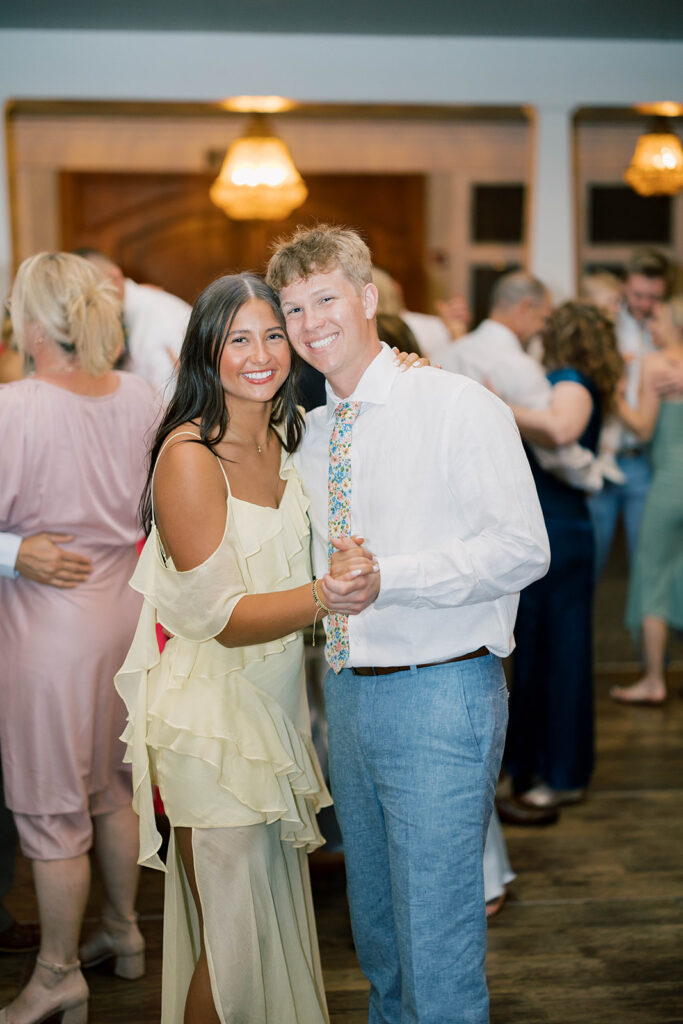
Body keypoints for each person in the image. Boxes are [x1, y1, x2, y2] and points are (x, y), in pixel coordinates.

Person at [266, 224, 550, 1024]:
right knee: (381, 939)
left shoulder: (455, 403)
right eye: (294, 309)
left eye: (325, 299)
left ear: (366, 298)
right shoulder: (313, 433)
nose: (310, 322)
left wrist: (391, 577)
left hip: (440, 693)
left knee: (437, 944)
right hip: (349, 695)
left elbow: (522, 549)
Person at [115, 273, 380, 1024]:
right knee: (235, 949)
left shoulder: (291, 435)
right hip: (210, 721)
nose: (260, 355)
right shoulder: (190, 455)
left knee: (259, 937)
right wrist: (327, 596)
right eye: (238, 339)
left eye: (272, 336)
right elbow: (221, 618)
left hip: (272, 707)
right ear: (207, 350)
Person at [0, 252, 158, 1024]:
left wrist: (9, 550)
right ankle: (122, 933)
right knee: (113, 789)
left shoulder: (15, 408)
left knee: (50, 804)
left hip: (50, 630)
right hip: (126, 619)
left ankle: (58, 973)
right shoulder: (142, 395)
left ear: (34, 325)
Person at [500, 303, 623, 809]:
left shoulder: (571, 381)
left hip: (562, 533)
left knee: (562, 657)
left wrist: (496, 402)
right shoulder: (564, 380)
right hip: (550, 529)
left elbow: (561, 431)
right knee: (537, 653)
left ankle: (563, 773)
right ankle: (528, 766)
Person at [610, 297, 683, 705]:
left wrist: (616, 396)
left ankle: (654, 680)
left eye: (657, 319)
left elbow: (641, 429)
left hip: (671, 482)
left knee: (654, 577)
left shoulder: (657, 363)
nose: (650, 326)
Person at [589, 248, 670, 577]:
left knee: (647, 558)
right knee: (592, 558)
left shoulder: (667, 327)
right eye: (638, 295)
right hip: (599, 455)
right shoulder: (604, 321)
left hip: (643, 459)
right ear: (624, 285)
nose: (645, 304)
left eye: (654, 297)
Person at [74, 248, 191, 399]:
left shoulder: (157, 322)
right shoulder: (123, 312)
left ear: (115, 276)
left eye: (89, 289)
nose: (84, 301)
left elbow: (168, 402)